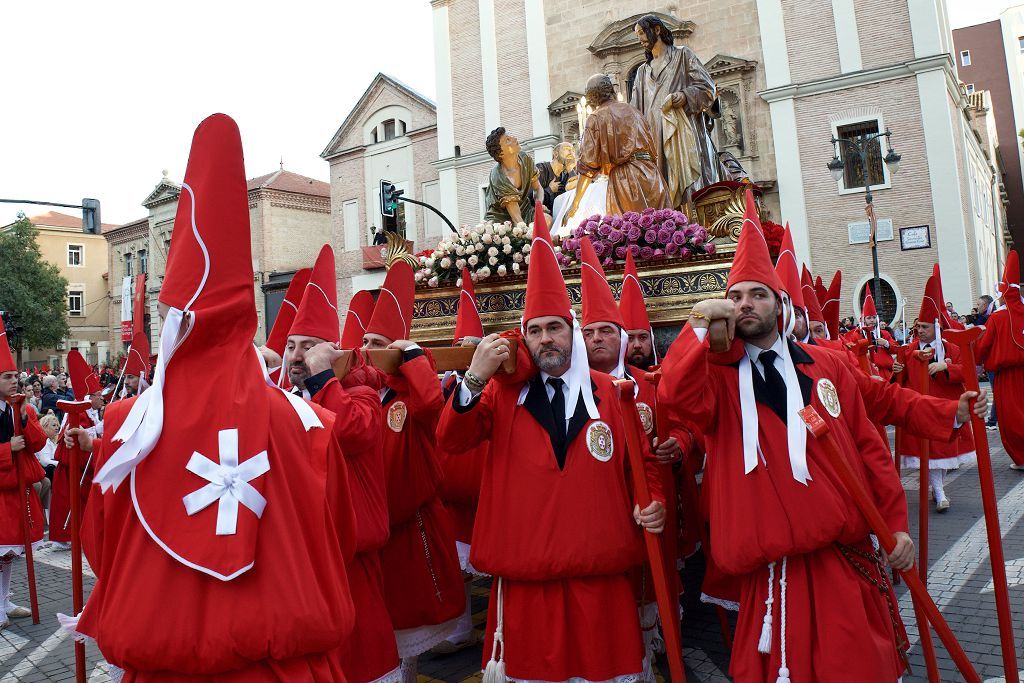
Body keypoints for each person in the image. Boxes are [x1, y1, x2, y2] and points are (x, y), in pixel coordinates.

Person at [75, 113, 359, 680]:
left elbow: (99, 548)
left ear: (170, 321)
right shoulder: (309, 423)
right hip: (285, 666)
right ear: (244, 319)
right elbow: (339, 542)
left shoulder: (125, 426)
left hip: (165, 665)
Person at [659, 192, 913, 682]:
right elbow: (673, 393)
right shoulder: (715, 376)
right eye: (735, 297)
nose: (745, 305)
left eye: (757, 294)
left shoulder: (829, 365)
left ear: (781, 303)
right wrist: (698, 328)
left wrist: (895, 523)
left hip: (840, 560)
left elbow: (868, 448)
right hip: (768, 574)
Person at [437, 202, 666, 682]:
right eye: (535, 330)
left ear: (572, 333)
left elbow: (642, 467)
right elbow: (451, 440)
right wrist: (474, 379)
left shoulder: (612, 393)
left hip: (600, 578)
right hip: (525, 583)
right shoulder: (500, 395)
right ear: (524, 338)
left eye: (555, 327)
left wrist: (656, 502)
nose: (546, 339)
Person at [282, 244, 400, 683]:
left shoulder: (360, 395)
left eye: (309, 346)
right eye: (292, 346)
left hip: (353, 558)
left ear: (333, 351)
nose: (297, 355)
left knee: (361, 660)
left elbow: (350, 432)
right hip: (301, 558)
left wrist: (323, 378)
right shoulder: (281, 403)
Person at [363, 260, 464, 683]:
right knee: (380, 624)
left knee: (410, 628)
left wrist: (414, 358)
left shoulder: (410, 396)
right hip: (374, 532)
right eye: (365, 341)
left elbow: (432, 409)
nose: (369, 348)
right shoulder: (362, 395)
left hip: (413, 530)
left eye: (380, 343)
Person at [432, 269, 488, 655]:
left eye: (473, 347)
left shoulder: (498, 386)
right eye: (461, 348)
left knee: (487, 562)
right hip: (451, 493)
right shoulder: (447, 386)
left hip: (486, 495)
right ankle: (459, 628)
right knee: (455, 566)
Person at [892, 275, 977, 511]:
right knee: (926, 452)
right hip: (920, 409)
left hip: (946, 409)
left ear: (936, 327)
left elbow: (966, 371)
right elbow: (900, 381)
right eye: (918, 326)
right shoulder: (907, 350)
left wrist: (946, 366)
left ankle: (937, 488)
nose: (919, 330)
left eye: (925, 326)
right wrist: (896, 371)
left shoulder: (951, 348)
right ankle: (938, 491)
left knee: (940, 452)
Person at [630, 14, 720, 206]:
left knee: (687, 188)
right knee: (659, 191)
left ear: (656, 30)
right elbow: (634, 112)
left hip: (682, 134)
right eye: (637, 35)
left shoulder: (682, 55)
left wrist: (686, 96)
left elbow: (707, 88)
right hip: (653, 139)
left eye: (641, 33)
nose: (640, 39)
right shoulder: (641, 72)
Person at [564, 74, 670, 226]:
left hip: (626, 180)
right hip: (652, 175)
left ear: (591, 97)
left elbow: (588, 166)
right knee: (664, 230)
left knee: (634, 232)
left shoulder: (595, 118)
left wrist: (575, 203)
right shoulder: (634, 111)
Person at [0, 327, 48, 630]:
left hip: (16, 489)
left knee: (8, 555)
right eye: (7, 376)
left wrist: (25, 420)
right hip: (1, 491)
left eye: (15, 375)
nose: (15, 380)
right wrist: (6, 449)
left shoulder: (21, 408)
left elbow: (40, 442)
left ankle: (4, 601)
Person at [48, 350, 102, 551]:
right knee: (69, 503)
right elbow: (78, 442)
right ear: (90, 397)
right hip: (73, 467)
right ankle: (66, 536)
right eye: (98, 395)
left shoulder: (90, 414)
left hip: (82, 468)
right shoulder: (79, 413)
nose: (102, 399)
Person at [978, 251, 1024, 469]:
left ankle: (1021, 458)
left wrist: (975, 360)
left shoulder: (997, 318)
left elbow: (983, 346)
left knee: (1011, 417)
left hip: (1007, 376)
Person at [483, 127, 542, 225]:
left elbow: (538, 188)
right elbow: (517, 219)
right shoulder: (499, 176)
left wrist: (538, 206)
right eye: (508, 140)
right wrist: (527, 232)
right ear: (500, 153)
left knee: (546, 220)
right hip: (501, 219)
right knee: (513, 236)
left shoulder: (525, 158)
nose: (514, 139)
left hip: (525, 210)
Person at [842, 292, 896, 379]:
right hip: (867, 373)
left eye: (874, 317)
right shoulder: (857, 335)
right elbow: (852, 354)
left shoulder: (884, 333)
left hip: (886, 373)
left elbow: (896, 348)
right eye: (869, 318)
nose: (872, 320)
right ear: (864, 319)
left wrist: (886, 343)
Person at [536, 142, 578, 213]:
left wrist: (570, 169)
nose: (571, 152)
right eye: (567, 149)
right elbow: (530, 197)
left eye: (573, 151)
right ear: (555, 154)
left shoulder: (568, 173)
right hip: (542, 215)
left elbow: (576, 192)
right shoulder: (541, 169)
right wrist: (550, 190)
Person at [119, 332, 150, 399]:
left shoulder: (154, 400)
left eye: (130, 377)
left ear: (142, 379)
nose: (125, 382)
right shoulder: (124, 404)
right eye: (125, 377)